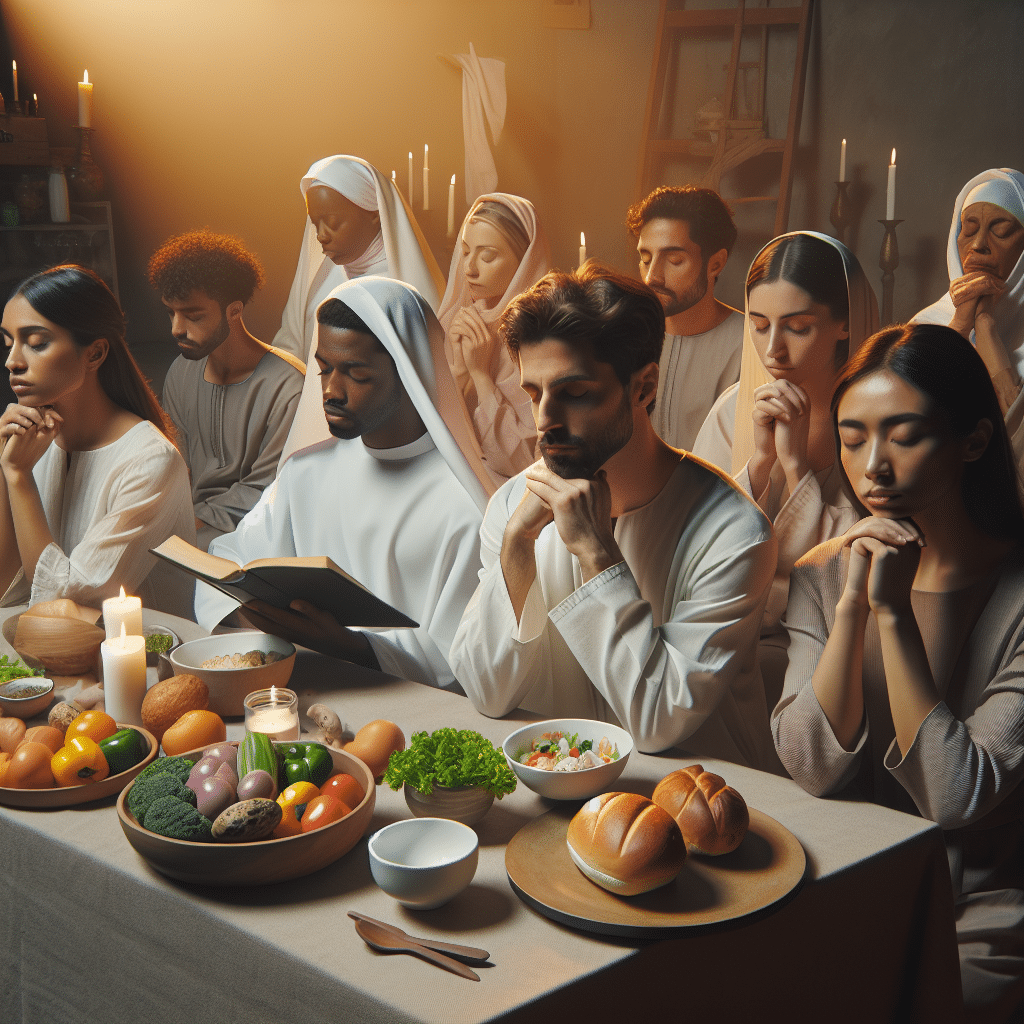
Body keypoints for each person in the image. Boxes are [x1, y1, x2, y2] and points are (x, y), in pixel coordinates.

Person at [773, 323, 1024, 1023]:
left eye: (903, 435)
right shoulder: (822, 576)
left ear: (973, 441)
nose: (872, 465)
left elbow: (955, 794)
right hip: (852, 880)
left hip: (984, 908)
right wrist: (852, 601)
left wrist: (893, 614)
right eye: (852, 438)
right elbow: (813, 765)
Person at [450, 264, 778, 769]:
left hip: (705, 805)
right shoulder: (513, 506)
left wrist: (597, 553)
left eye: (575, 393)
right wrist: (517, 541)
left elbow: (656, 721)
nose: (544, 422)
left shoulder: (735, 533)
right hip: (565, 806)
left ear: (644, 386)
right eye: (533, 392)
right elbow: (485, 692)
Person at [195, 277, 487, 692]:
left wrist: (354, 646)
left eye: (356, 374)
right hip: (299, 693)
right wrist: (251, 612)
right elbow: (233, 558)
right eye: (324, 369)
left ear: (408, 373)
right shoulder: (304, 473)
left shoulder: (463, 504)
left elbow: (466, 653)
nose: (331, 391)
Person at [692, 231, 879, 705]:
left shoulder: (879, 419)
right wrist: (759, 464)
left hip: (843, 635)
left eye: (796, 327)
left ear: (844, 323)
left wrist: (797, 471)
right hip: (738, 623)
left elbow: (872, 556)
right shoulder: (734, 411)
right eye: (758, 325)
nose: (772, 349)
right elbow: (694, 543)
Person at [0, 265, 195, 615]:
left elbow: (66, 601)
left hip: (144, 662)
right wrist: (5, 468)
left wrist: (18, 476)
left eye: (36, 343)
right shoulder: (28, 445)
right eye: (8, 342)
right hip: (43, 653)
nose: (13, 361)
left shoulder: (151, 461)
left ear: (94, 353)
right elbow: (7, 590)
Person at [274, 155, 446, 465]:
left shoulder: (404, 289)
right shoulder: (320, 277)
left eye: (333, 220)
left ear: (374, 215)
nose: (321, 234)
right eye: (315, 222)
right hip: (306, 431)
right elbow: (291, 350)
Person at [148, 230, 305, 552]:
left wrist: (192, 521)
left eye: (193, 316)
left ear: (234, 311)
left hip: (261, 532)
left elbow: (269, 485)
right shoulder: (182, 370)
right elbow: (176, 462)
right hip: (187, 521)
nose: (176, 329)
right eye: (171, 313)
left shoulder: (289, 385)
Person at [437, 194, 551, 486]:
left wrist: (481, 376)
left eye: (487, 256)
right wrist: (459, 374)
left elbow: (526, 460)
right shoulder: (456, 322)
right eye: (464, 252)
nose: (469, 269)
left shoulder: (543, 336)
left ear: (525, 259)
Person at [913, 168, 1024, 465]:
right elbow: (908, 431)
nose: (978, 246)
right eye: (969, 229)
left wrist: (986, 328)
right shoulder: (927, 325)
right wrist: (959, 328)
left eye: (1000, 229)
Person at [626, 185, 743, 451]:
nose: (651, 276)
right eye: (645, 258)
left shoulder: (752, 343)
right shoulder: (624, 337)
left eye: (674, 260)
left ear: (716, 264)